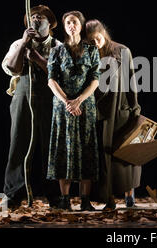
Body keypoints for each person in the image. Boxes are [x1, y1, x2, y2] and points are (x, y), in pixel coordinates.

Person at [2, 4, 61, 209]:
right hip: (23, 96)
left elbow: (61, 75)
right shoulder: (19, 43)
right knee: (18, 144)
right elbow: (11, 67)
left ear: (49, 25)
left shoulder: (57, 46)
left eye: (41, 17)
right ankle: (13, 194)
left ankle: (55, 195)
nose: (36, 19)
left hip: (50, 98)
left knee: (50, 147)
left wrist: (36, 58)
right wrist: (24, 44)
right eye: (32, 16)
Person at [47, 11, 101, 211]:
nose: (72, 25)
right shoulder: (56, 51)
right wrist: (67, 102)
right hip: (63, 108)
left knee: (86, 149)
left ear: (81, 25)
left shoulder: (91, 49)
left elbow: (95, 78)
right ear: (65, 26)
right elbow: (51, 80)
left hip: (85, 106)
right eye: (68, 22)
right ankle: (65, 199)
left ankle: (85, 200)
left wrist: (79, 100)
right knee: (64, 149)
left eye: (75, 22)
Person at [85, 19, 141, 210]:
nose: (95, 43)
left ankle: (129, 194)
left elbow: (131, 80)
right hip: (99, 111)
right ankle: (108, 198)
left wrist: (135, 107)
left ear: (104, 34)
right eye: (91, 40)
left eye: (98, 38)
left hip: (120, 108)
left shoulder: (121, 50)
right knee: (104, 155)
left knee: (124, 152)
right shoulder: (88, 52)